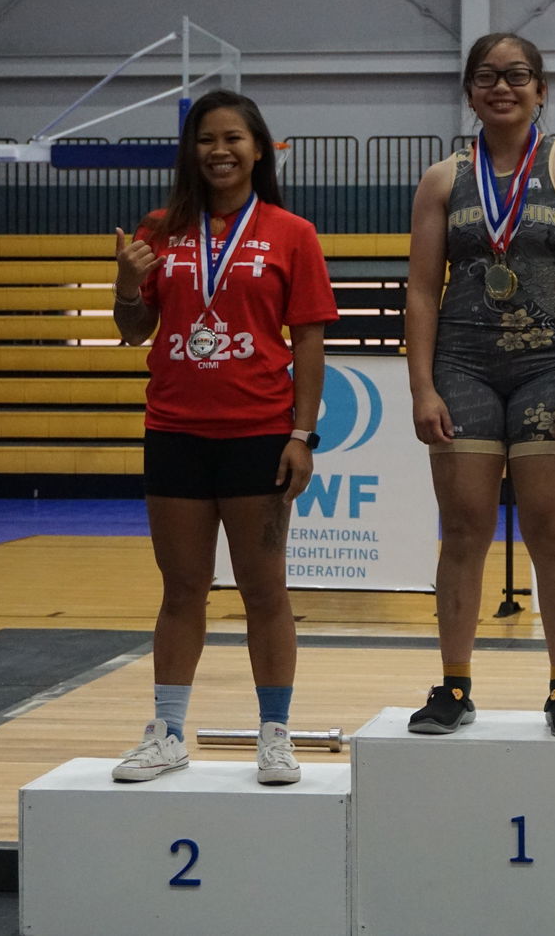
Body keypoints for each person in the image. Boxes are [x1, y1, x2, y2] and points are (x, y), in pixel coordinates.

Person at [110, 89, 338, 784]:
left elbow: (309, 341)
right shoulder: (158, 228)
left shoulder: (291, 232)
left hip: (259, 433)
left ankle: (276, 734)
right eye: (206, 139)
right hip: (174, 429)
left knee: (264, 590)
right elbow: (132, 331)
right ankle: (167, 732)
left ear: (258, 148)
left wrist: (302, 433)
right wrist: (125, 283)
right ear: (191, 151)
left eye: (233, 138)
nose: (219, 150)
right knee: (182, 588)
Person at [403, 33, 555, 737]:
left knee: (552, 529)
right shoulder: (440, 180)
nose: (503, 87)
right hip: (461, 369)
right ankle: (454, 687)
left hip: (548, 368)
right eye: (488, 77)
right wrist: (421, 387)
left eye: (518, 75)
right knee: (463, 530)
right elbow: (423, 294)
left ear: (541, 90)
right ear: (469, 94)